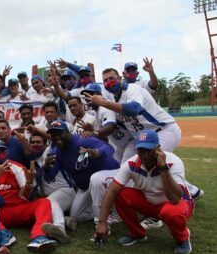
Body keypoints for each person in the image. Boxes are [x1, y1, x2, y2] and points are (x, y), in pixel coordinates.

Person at [83, 68, 203, 228]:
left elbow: (134, 109)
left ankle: (155, 216)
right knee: (127, 169)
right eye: (105, 80)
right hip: (140, 139)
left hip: (163, 130)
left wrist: (103, 103)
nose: (108, 82)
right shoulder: (110, 97)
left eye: (112, 78)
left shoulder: (133, 89)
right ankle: (192, 190)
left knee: (152, 167)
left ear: (120, 78)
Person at [95, 130, 194, 254]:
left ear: (158, 148)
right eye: (141, 150)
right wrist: (102, 222)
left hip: (178, 203)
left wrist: (163, 168)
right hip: (151, 203)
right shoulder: (131, 163)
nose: (144, 155)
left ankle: (183, 239)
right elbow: (112, 191)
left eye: (148, 150)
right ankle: (137, 233)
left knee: (171, 212)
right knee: (120, 194)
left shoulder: (174, 162)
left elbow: (175, 198)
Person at [0, 140, 65, 252]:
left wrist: (30, 181)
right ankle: (2, 233)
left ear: (7, 152)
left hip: (18, 209)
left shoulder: (16, 167)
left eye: (2, 151)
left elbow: (24, 196)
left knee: (44, 202)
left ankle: (39, 237)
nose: (0, 155)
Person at [44, 120, 119, 228]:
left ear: (67, 132)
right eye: (53, 134)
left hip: (108, 176)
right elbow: (49, 177)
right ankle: (106, 209)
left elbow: (109, 148)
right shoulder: (56, 152)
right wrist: (46, 168)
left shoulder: (82, 140)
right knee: (77, 215)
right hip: (87, 185)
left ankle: (111, 212)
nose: (56, 137)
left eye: (59, 133)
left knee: (96, 179)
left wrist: (96, 152)